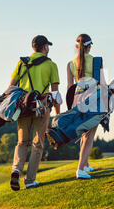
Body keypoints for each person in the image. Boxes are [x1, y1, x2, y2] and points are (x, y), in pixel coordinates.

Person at [9, 35, 61, 190]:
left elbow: (11, 87)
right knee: (37, 143)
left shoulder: (22, 62)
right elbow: (55, 94)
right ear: (44, 47)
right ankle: (30, 180)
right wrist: (57, 114)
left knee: (22, 142)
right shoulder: (51, 65)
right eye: (48, 46)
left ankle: (16, 169)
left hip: (23, 107)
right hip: (41, 106)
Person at [67, 34, 106, 179]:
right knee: (89, 136)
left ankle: (85, 165)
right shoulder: (96, 61)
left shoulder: (70, 63)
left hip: (77, 99)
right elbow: (102, 83)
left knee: (84, 134)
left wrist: (70, 107)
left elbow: (70, 87)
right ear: (89, 46)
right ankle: (80, 169)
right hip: (93, 98)